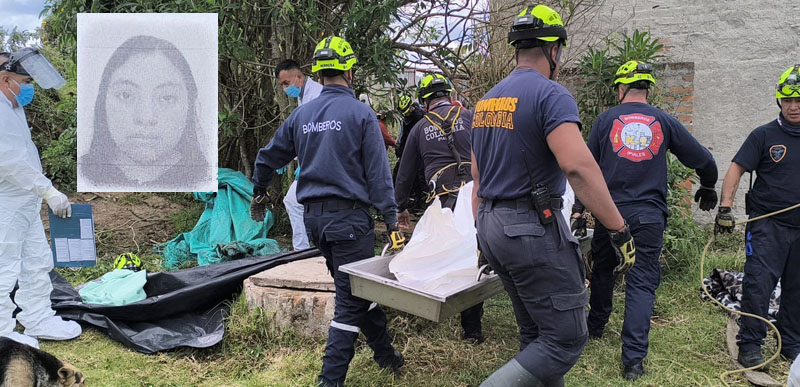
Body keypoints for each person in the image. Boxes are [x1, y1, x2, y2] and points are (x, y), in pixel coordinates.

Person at [471, 5, 636, 386]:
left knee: (536, 336)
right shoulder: (551, 95)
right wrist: (619, 230)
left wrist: (482, 237)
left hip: (491, 225)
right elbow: (578, 167)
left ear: (516, 49)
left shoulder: (485, 103)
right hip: (530, 229)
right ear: (554, 50)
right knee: (565, 340)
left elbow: (478, 181)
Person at [250, 36, 406, 387]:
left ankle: (386, 357)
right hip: (350, 222)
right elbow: (379, 176)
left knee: (357, 292)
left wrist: (259, 191)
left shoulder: (302, 115)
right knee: (350, 303)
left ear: (317, 73)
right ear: (350, 71)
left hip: (316, 222)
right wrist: (392, 219)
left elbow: (267, 157)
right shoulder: (361, 114)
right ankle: (329, 380)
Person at [575, 60, 718, 380]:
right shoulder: (664, 120)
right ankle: (633, 362)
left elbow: (584, 168)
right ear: (647, 89)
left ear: (622, 89)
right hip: (649, 217)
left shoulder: (605, 120)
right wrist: (708, 185)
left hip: (609, 212)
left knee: (603, 269)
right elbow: (704, 160)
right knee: (641, 284)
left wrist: (577, 209)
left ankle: (594, 328)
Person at [716, 64, 800, 369]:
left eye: (799, 100)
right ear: (779, 100)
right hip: (767, 226)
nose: (794, 106)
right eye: (788, 100)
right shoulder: (763, 135)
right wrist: (725, 208)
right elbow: (736, 168)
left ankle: (791, 342)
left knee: (797, 287)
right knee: (758, 285)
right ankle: (751, 344)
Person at [0, 48, 82, 349]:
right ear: (6, 79)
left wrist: (39, 192)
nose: (29, 87)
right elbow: (8, 161)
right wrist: (47, 189)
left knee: (37, 261)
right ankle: (2, 332)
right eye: (26, 80)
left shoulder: (11, 107)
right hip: (5, 204)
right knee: (3, 266)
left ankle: (38, 317)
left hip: (24, 201)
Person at [394, 73, 484, 343]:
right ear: (448, 94)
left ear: (424, 101)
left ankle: (434, 306)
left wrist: (400, 208)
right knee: (472, 258)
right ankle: (472, 329)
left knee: (439, 254)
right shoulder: (468, 117)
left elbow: (405, 174)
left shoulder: (419, 129)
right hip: (475, 198)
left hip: (442, 201)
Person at [78, 35, 214, 191]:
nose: (145, 118)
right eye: (126, 95)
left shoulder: (205, 177)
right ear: (103, 102)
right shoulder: (84, 173)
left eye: (166, 98)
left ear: (190, 105)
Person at [274, 59, 325, 251]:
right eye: (282, 85)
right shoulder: (304, 96)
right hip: (314, 161)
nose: (285, 88)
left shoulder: (316, 96)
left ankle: (302, 250)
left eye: (286, 83)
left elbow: (315, 136)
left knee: (294, 201)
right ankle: (308, 248)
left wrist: (294, 160)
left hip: (318, 162)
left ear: (299, 77)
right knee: (302, 203)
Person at [394, 94, 428, 213]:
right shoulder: (406, 120)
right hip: (410, 152)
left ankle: (424, 203)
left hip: (420, 153)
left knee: (421, 178)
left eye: (407, 112)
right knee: (409, 178)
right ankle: (415, 201)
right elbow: (404, 137)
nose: (405, 115)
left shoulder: (420, 118)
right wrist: (399, 152)